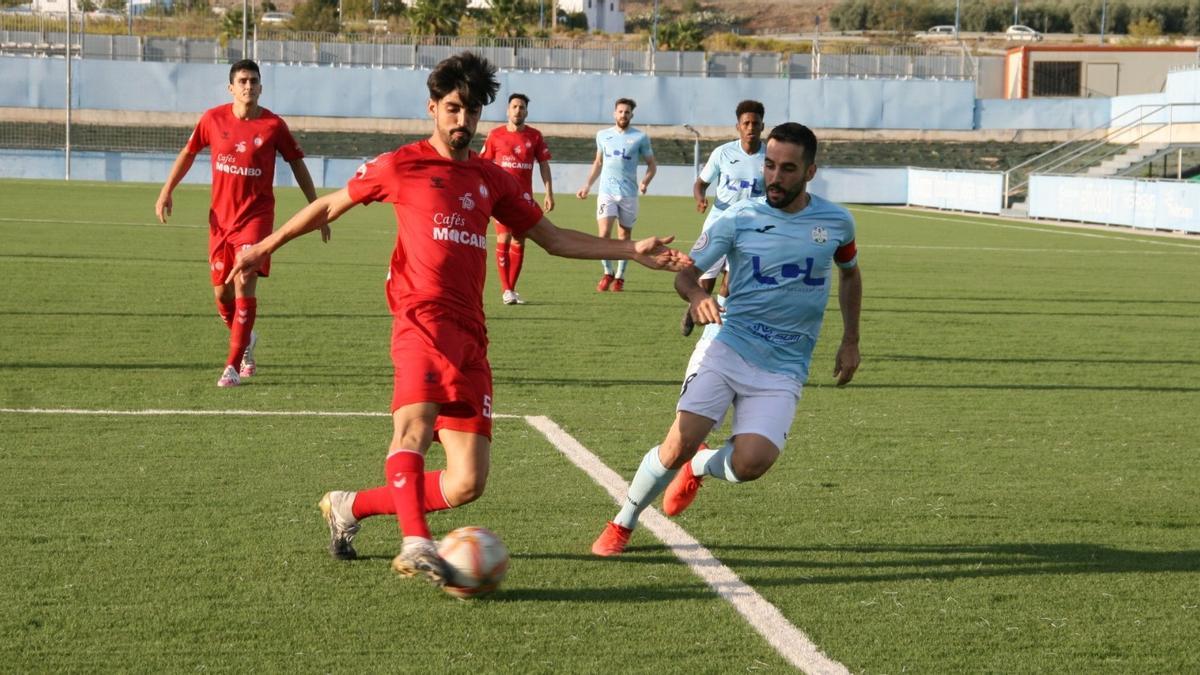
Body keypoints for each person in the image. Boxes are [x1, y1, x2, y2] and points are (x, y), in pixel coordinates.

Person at [224, 52, 691, 587]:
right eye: (452, 109)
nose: (461, 121)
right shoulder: (403, 164)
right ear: (433, 109)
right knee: (414, 429)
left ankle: (348, 506)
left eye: (470, 112)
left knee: (467, 482)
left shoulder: (490, 178)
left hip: (470, 335)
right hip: (419, 319)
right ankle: (416, 542)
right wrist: (263, 244)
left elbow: (554, 239)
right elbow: (331, 205)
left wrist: (631, 250)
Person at [591, 122, 863, 557]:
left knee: (752, 463)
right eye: (770, 166)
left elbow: (850, 274)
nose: (775, 177)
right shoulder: (739, 217)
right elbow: (685, 272)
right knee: (677, 442)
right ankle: (623, 519)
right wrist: (698, 294)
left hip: (785, 365)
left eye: (788, 169)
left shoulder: (836, 223)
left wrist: (850, 339)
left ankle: (700, 466)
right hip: (728, 345)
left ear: (810, 172)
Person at [154, 58, 324, 388]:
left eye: (254, 81)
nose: (249, 86)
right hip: (221, 222)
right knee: (221, 294)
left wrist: (315, 207)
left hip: (256, 220)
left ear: (261, 87)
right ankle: (246, 340)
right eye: (242, 81)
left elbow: (298, 164)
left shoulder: (274, 126)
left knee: (245, 279)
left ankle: (232, 365)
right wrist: (166, 191)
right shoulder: (212, 119)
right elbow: (188, 153)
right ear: (231, 87)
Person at [681, 100, 766, 337]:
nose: (751, 127)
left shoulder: (770, 157)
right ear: (738, 126)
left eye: (755, 123)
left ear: (762, 126)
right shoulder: (723, 153)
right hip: (718, 224)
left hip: (750, 228)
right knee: (704, 280)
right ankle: (693, 307)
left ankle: (718, 328)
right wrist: (700, 198)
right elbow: (701, 183)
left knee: (731, 281)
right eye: (746, 123)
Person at [574, 98, 657, 293]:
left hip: (628, 194)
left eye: (627, 112)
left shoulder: (640, 137)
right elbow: (598, 162)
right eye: (620, 112)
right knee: (603, 236)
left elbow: (652, 165)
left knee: (624, 237)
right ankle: (607, 272)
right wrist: (587, 185)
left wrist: (645, 182)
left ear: (631, 115)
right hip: (606, 192)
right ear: (614, 113)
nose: (623, 115)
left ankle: (620, 277)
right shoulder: (603, 135)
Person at [480, 92, 555, 305]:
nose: (518, 110)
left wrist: (548, 192)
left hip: (524, 198)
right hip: (501, 199)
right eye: (514, 106)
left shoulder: (535, 136)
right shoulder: (495, 135)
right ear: (508, 110)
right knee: (503, 238)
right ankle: (506, 290)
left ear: (526, 111)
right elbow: (483, 165)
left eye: (521, 107)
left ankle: (511, 289)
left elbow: (544, 165)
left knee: (520, 240)